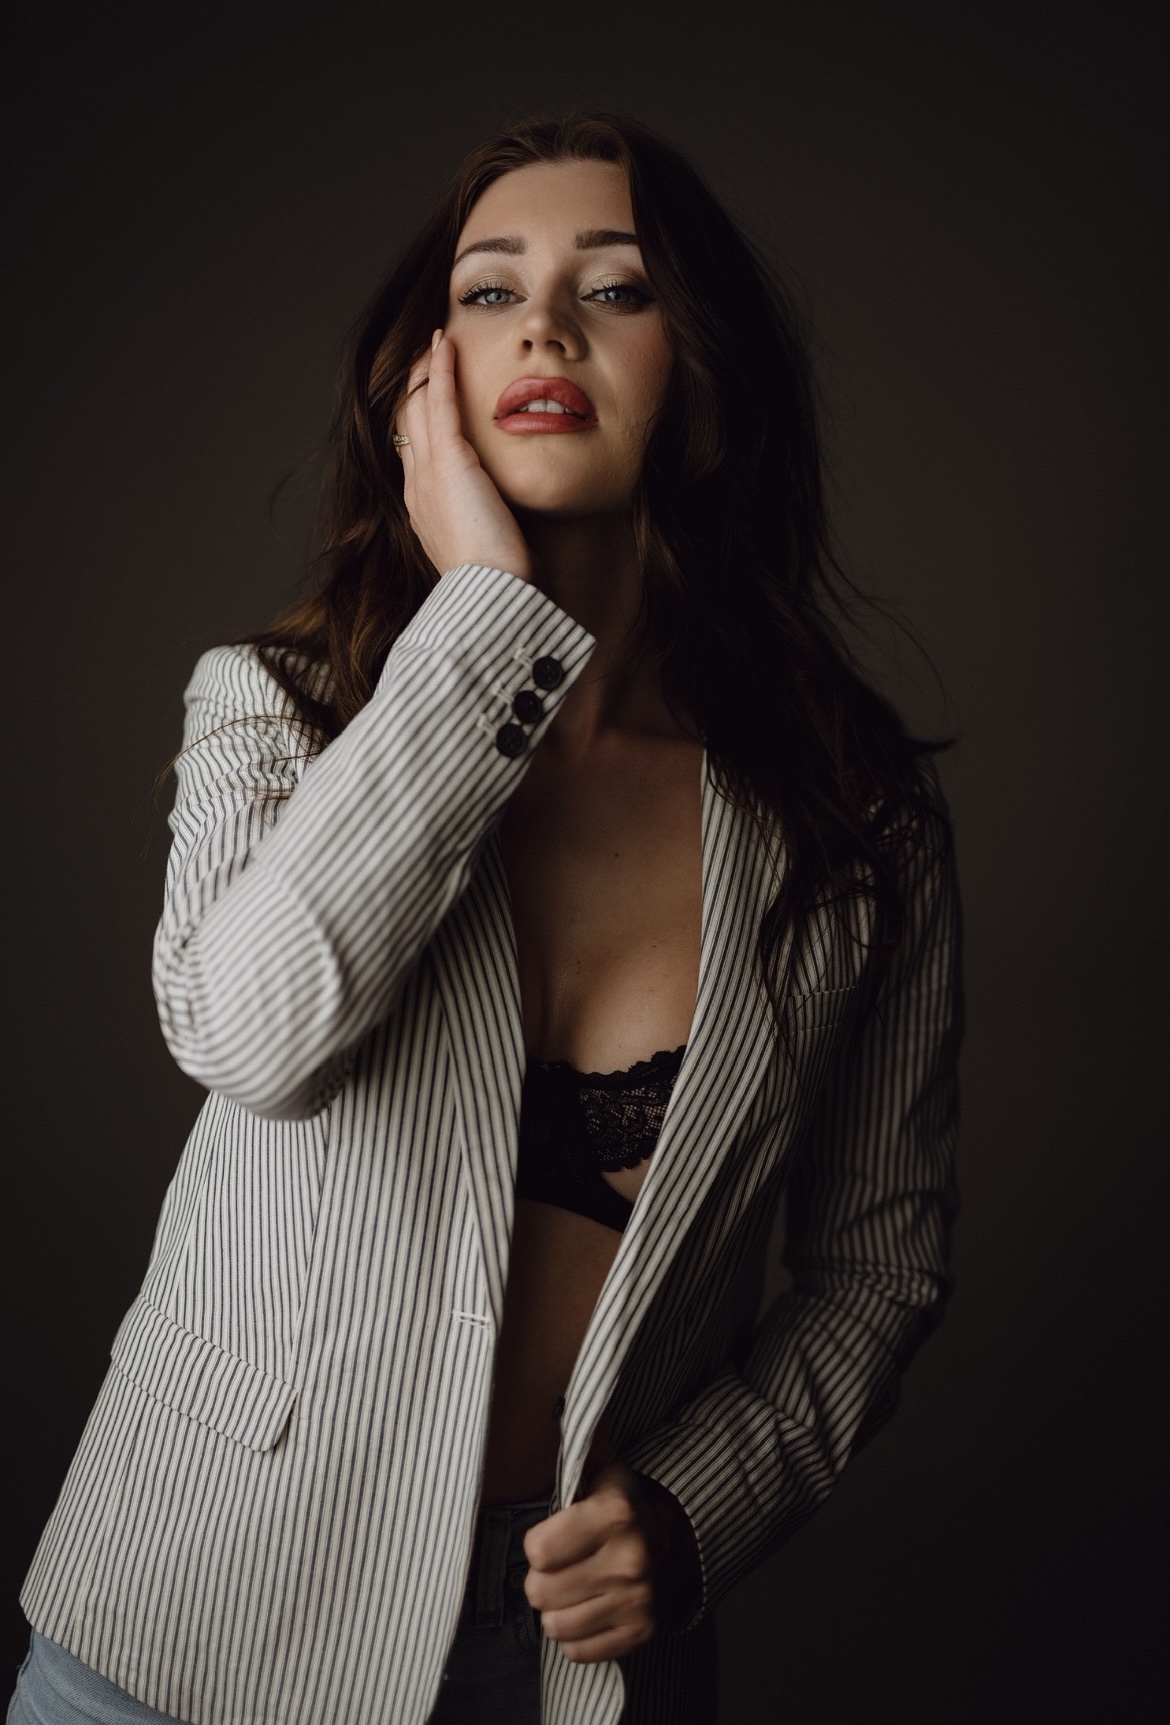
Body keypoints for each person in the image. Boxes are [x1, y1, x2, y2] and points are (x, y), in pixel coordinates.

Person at [9, 112, 962, 1725]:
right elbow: (251, 1036)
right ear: (424, 379)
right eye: (489, 290)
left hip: (571, 1661)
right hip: (185, 1623)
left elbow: (876, 1262)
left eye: (617, 288)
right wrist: (482, 623)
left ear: (702, 369)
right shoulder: (276, 710)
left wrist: (699, 1505)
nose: (544, 328)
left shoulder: (851, 821)